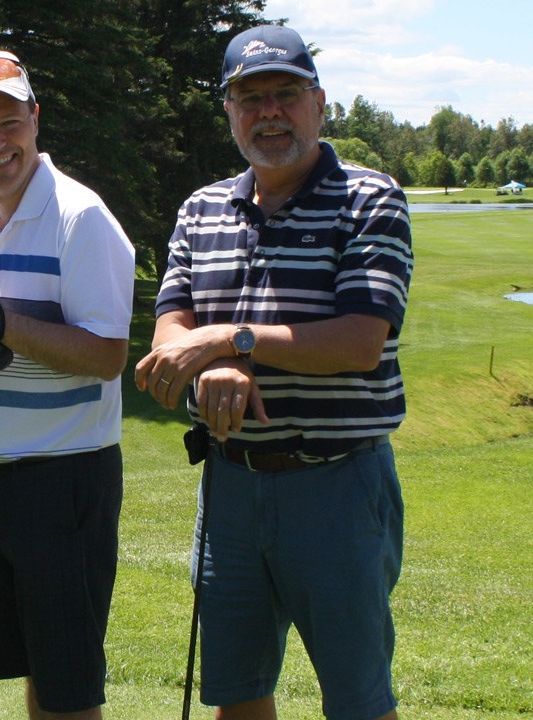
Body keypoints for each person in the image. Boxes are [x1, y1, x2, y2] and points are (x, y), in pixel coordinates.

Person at [134, 25, 413, 720]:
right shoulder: (201, 210)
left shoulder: (369, 199)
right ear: (229, 111)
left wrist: (232, 341)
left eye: (286, 94)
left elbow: (360, 340)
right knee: (236, 692)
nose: (269, 112)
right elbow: (170, 334)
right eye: (249, 98)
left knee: (357, 701)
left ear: (319, 103)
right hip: (229, 486)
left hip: (337, 485)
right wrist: (206, 371)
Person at [0, 49, 135, 720]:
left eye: (8, 122)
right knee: (31, 667)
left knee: (67, 686)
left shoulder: (82, 218)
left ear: (35, 119)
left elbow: (107, 355)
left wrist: (1, 323)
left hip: (66, 477)